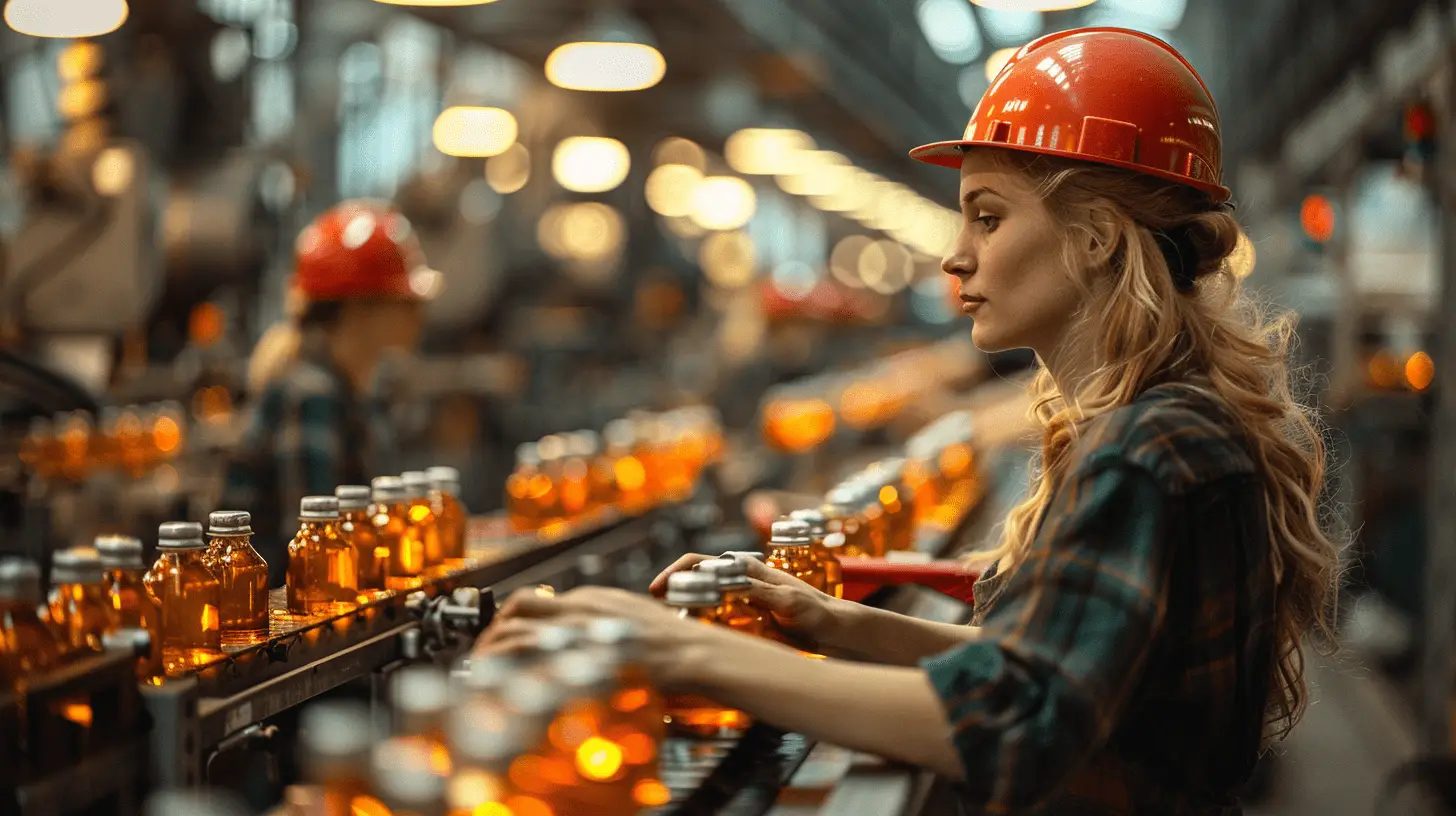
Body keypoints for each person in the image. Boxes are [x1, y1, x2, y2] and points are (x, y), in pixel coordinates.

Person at [476, 28, 1343, 815]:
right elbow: (1033, 665)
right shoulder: (1160, 424)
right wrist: (832, 620)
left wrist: (672, 650)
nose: (953, 253)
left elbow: (1009, 722)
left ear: (1098, 240)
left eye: (989, 216)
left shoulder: (1153, 448)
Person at [222, 200, 428, 584]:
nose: (419, 314)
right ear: (361, 310)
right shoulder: (310, 396)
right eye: (405, 301)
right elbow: (315, 551)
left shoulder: (349, 391)